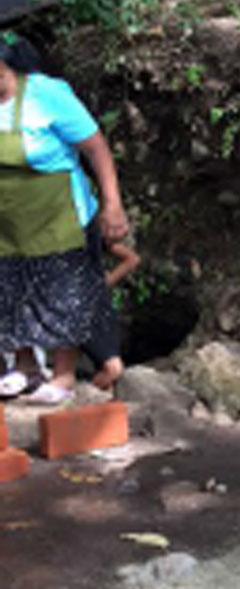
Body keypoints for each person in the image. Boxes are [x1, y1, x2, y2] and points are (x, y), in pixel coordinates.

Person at [0, 31, 129, 404]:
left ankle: (63, 375)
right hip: (9, 219)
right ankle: (24, 368)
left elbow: (96, 148)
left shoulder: (47, 95)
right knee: (8, 288)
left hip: (60, 214)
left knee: (64, 293)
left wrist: (112, 204)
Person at [81, 240, 140, 391]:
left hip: (100, 308)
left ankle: (90, 395)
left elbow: (132, 259)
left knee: (112, 369)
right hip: (77, 308)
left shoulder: (92, 231)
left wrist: (105, 283)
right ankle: (85, 395)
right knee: (113, 368)